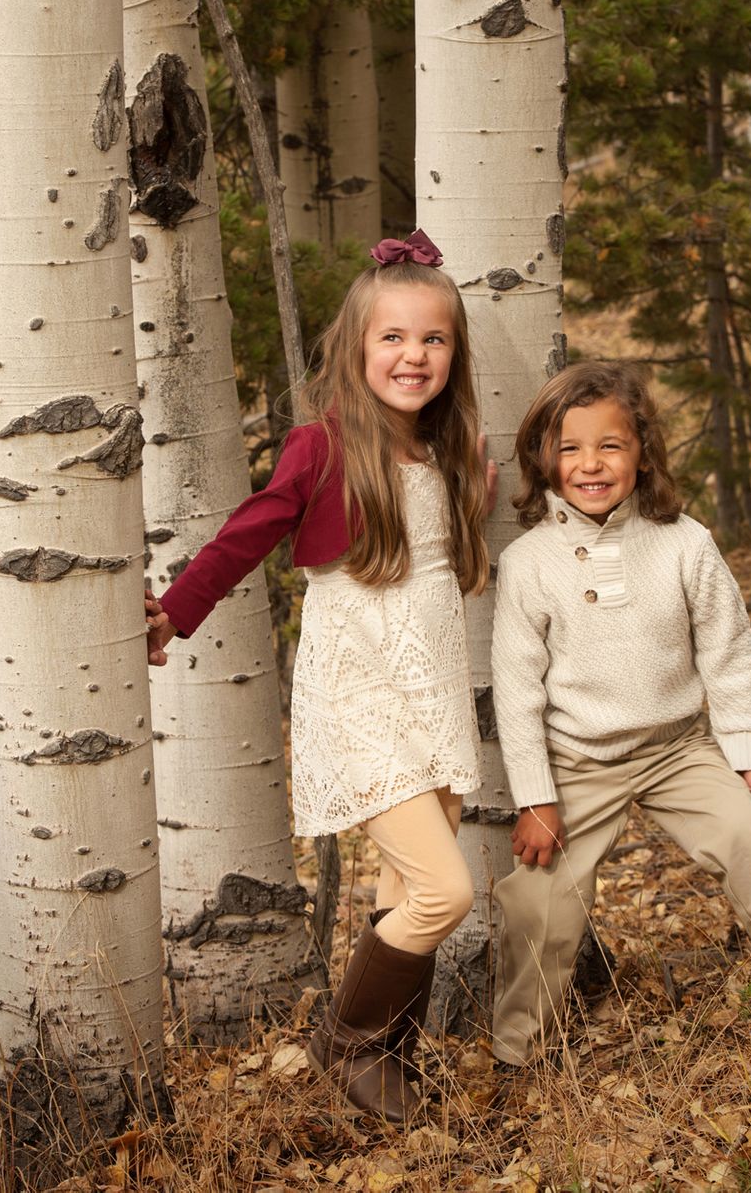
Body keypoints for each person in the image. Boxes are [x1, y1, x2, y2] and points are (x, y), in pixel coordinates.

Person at [145, 230, 495, 1123]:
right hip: (361, 694)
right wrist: (176, 609)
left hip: (433, 694)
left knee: (407, 892)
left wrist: (475, 512)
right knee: (449, 892)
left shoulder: (448, 456)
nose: (413, 355)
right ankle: (344, 1042)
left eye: (434, 339)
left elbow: (445, 575)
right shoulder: (321, 446)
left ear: (454, 355)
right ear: (355, 346)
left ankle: (385, 1064)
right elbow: (248, 531)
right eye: (393, 336)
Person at [489, 360, 751, 1069]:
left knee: (749, 831)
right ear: (544, 459)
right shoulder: (528, 562)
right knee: (541, 901)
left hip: (677, 745)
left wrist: (750, 758)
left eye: (610, 445)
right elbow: (516, 689)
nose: (591, 464)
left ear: (642, 451)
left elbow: (730, 653)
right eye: (570, 448)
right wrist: (535, 797)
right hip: (577, 759)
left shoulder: (686, 542)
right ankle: (517, 1050)